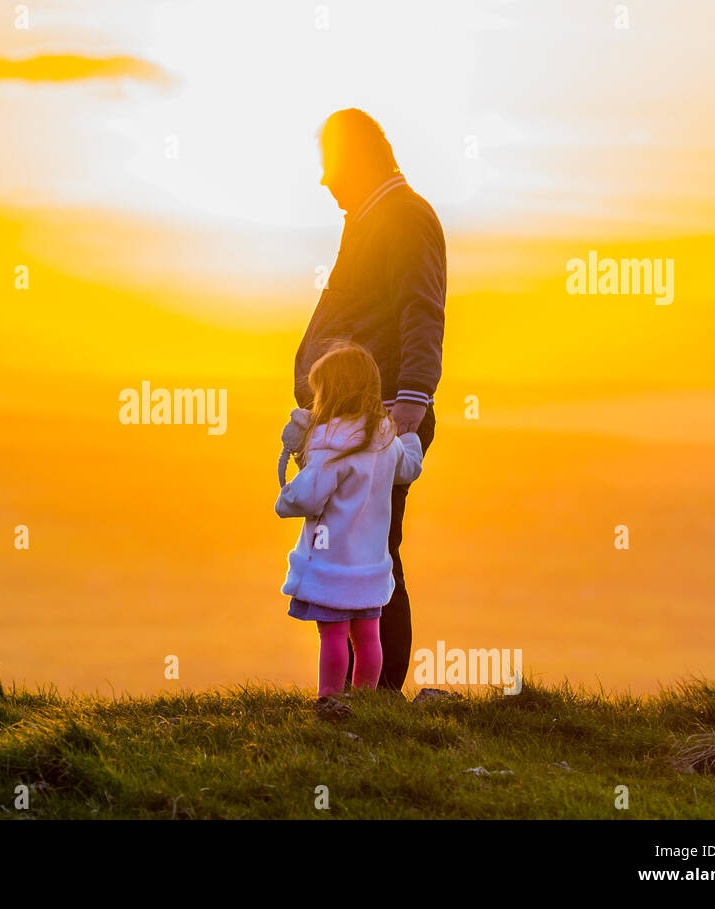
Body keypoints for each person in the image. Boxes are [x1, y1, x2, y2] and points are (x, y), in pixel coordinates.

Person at [287, 108, 446, 692]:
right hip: (351, 422)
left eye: (330, 165)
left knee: (374, 560)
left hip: (378, 423)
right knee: (354, 557)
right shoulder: (373, 217)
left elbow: (422, 315)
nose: (324, 181)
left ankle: (373, 699)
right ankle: (355, 696)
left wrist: (408, 408)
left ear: (355, 159)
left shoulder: (404, 217)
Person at [276, 343, 423, 717]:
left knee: (334, 634)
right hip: (372, 562)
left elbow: (309, 497)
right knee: (368, 635)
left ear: (331, 392)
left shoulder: (329, 442)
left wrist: (287, 492)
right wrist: (409, 438)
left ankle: (331, 700)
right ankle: (367, 700)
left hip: (334, 562)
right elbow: (408, 469)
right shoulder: (385, 438)